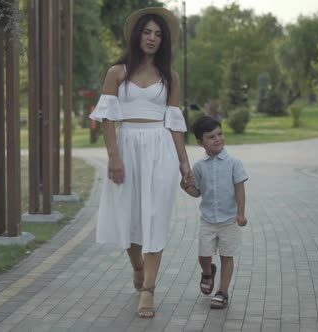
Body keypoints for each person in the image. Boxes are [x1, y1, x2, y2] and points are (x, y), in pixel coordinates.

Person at [89, 7, 192, 318]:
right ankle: (137, 266)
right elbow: (107, 117)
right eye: (147, 32)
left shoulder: (169, 77)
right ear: (137, 35)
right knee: (130, 215)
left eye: (158, 34)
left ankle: (148, 289)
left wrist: (184, 165)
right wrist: (113, 157)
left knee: (156, 216)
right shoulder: (117, 72)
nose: (152, 38)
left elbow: (174, 123)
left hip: (160, 148)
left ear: (164, 41)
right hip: (127, 146)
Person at [180, 116, 248, 309]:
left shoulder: (234, 163)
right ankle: (208, 272)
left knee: (227, 255)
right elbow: (197, 192)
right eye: (211, 137)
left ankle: (222, 292)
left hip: (229, 220)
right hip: (208, 221)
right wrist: (186, 187)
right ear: (200, 142)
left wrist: (241, 214)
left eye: (219, 134)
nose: (218, 139)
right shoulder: (199, 166)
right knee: (203, 255)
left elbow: (240, 190)